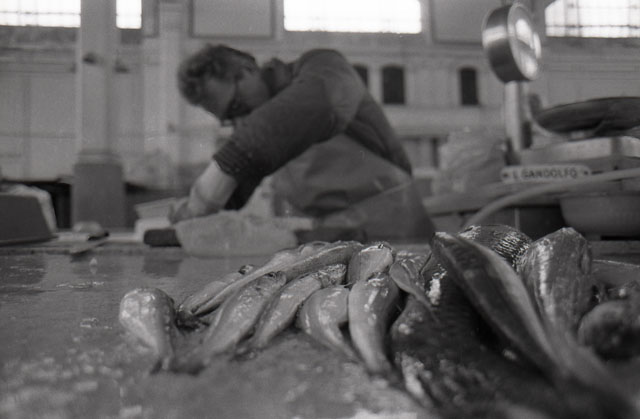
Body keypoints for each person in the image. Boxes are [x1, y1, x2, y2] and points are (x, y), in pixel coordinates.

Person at [170, 44, 435, 241]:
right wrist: (192, 213)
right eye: (228, 118)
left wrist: (223, 170)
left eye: (236, 106)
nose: (239, 119)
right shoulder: (256, 127)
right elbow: (234, 186)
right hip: (334, 234)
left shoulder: (323, 67)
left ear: (247, 69)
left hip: (392, 228)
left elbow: (321, 104)